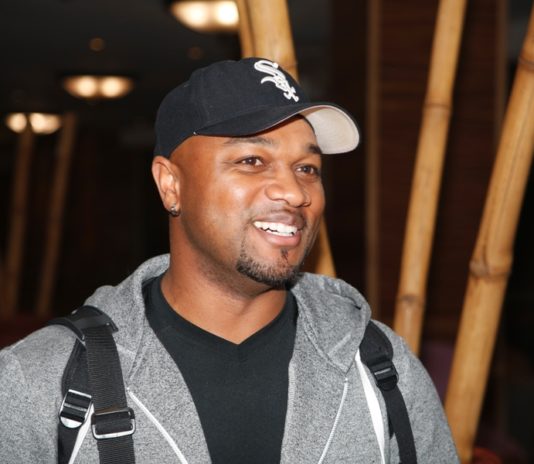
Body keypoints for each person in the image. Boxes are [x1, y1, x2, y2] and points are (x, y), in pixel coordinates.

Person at [0, 57, 458, 463]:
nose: (295, 192)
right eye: (252, 161)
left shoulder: (380, 365)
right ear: (171, 185)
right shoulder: (42, 379)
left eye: (307, 168)